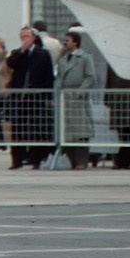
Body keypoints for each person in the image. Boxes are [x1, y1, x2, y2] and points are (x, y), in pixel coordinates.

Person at [7, 25, 56, 169]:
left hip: (36, 96)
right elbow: (10, 63)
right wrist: (22, 50)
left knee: (36, 128)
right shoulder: (17, 53)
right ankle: (17, 160)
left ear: (34, 38)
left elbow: (49, 76)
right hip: (20, 97)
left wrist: (49, 96)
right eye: (22, 37)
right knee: (17, 129)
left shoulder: (43, 54)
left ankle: (35, 159)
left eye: (27, 36)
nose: (24, 39)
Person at [56, 30, 96, 170]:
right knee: (68, 131)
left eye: (68, 40)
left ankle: (82, 161)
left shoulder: (84, 58)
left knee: (81, 131)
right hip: (65, 98)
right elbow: (59, 77)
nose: (65, 42)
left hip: (78, 99)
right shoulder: (62, 59)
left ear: (75, 42)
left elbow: (90, 76)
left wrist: (80, 92)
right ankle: (71, 160)